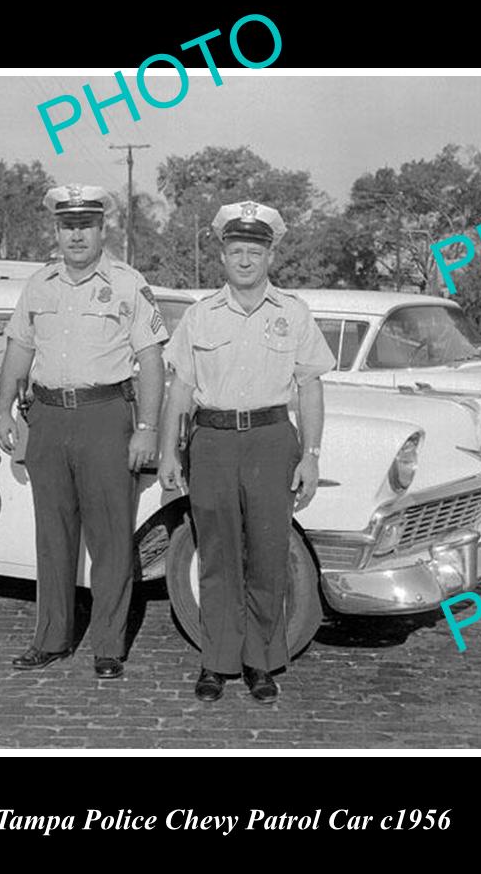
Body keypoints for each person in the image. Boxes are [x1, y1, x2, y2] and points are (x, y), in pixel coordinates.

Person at [158, 200, 335, 703]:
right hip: (211, 441)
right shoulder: (199, 315)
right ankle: (216, 661)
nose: (244, 261)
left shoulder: (294, 314)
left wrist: (312, 454)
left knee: (267, 554)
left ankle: (261, 661)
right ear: (222, 256)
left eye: (254, 252)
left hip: (271, 439)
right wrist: (169, 451)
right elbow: (179, 390)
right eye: (235, 251)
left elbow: (311, 388)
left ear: (269, 256)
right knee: (216, 555)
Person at [0, 184, 167, 680]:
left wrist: (147, 427)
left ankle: (108, 645)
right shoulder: (39, 284)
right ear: (56, 230)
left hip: (104, 414)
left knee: (110, 537)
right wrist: (4, 408)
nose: (76, 235)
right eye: (67, 226)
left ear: (101, 228)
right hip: (47, 416)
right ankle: (51, 638)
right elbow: (20, 350)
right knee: (52, 535)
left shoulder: (129, 283)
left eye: (85, 225)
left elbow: (151, 361)